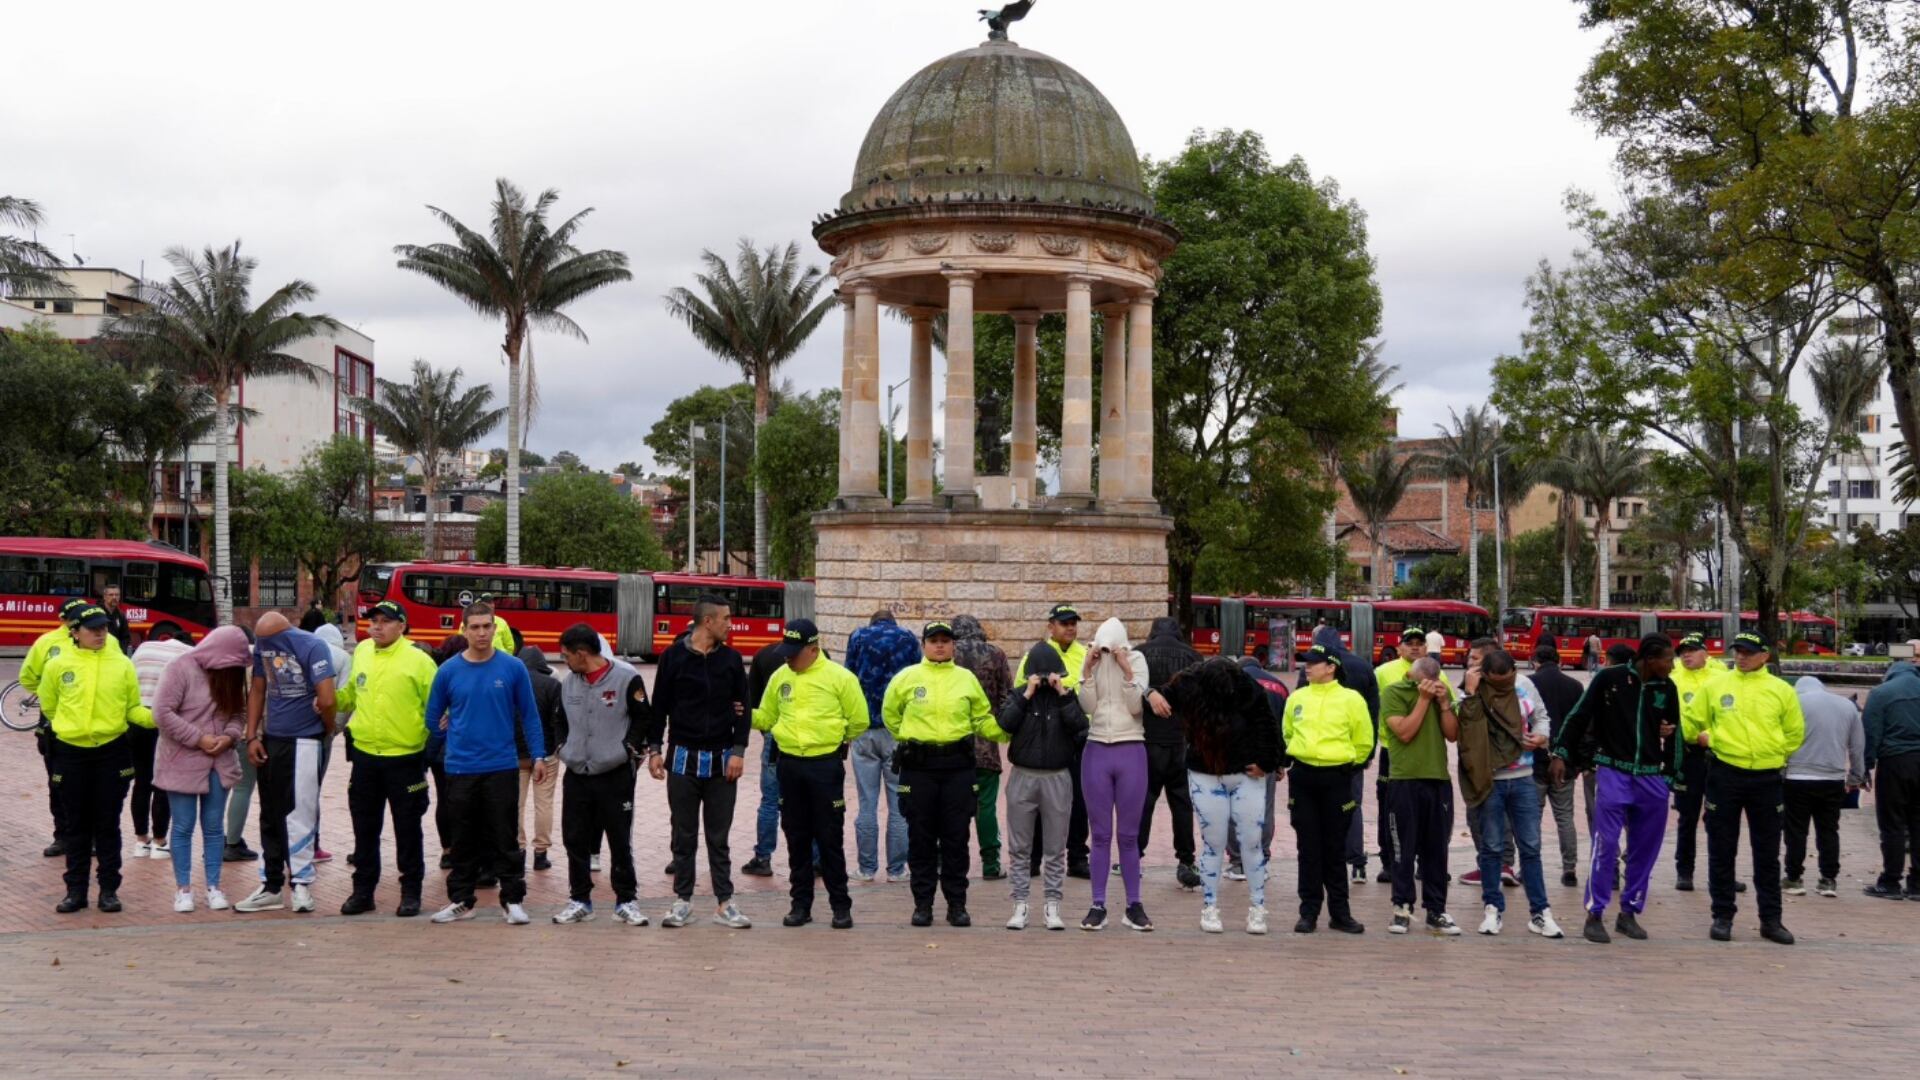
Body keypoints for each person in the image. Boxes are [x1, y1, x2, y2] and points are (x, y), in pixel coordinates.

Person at [424, 602, 547, 925]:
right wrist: (444, 731)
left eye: (486, 626)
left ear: (495, 629)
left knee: (505, 836)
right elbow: (431, 714)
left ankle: (513, 900)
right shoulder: (448, 670)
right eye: (474, 627)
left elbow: (530, 716)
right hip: (461, 768)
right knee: (462, 839)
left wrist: (538, 756)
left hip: (502, 766)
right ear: (464, 631)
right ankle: (462, 900)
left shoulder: (512, 668)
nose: (481, 632)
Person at [1552, 634, 1679, 943]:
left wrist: (1671, 777)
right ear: (1650, 659)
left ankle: (1629, 913)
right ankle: (1594, 915)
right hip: (1613, 771)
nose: (1672, 665)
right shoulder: (1609, 678)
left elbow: (1675, 732)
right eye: (1668, 659)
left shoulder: (1667, 688)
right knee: (1606, 843)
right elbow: (1578, 716)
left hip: (1651, 778)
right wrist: (1561, 753)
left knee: (1644, 850)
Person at [884, 620, 1010, 928]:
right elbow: (890, 713)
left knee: (956, 837)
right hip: (920, 768)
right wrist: (911, 736)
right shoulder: (908, 678)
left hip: (957, 767)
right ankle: (923, 905)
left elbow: (982, 718)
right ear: (924, 645)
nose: (940, 645)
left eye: (945, 640)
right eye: (934, 640)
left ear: (953, 645)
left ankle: (957, 905)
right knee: (921, 837)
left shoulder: (965, 679)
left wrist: (1005, 731)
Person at [646, 594, 753, 929]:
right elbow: (659, 706)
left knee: (718, 837)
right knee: (684, 834)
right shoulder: (672, 658)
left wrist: (738, 750)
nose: (730, 624)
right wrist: (654, 749)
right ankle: (682, 901)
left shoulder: (733, 660)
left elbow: (744, 708)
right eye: (725, 619)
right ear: (708, 622)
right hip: (682, 759)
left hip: (723, 762)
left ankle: (725, 902)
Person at [1157, 657, 1285, 934]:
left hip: (1238, 772)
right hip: (1212, 772)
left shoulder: (1244, 687)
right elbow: (1267, 723)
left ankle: (1256, 907)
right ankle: (1212, 906)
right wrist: (1149, 693)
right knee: (1216, 842)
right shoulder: (1195, 684)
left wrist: (1268, 760)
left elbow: (1266, 723)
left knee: (1247, 842)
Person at [753, 618, 866, 929]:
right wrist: (741, 715)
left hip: (825, 766)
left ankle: (840, 906)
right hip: (789, 765)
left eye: (794, 652)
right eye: (785, 651)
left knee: (830, 838)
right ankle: (800, 905)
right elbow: (766, 716)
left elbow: (859, 719)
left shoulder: (839, 677)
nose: (788, 658)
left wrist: (835, 738)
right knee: (796, 838)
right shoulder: (780, 676)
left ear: (814, 649)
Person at [1696, 631, 1804, 944]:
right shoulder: (1715, 685)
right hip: (1725, 774)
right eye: (1738, 651)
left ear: (1764, 656)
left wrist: (1774, 751)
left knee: (1768, 853)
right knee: (1721, 848)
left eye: (1748, 652)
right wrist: (1712, 740)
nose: (1741, 656)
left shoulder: (1781, 690)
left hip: (1767, 779)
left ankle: (1771, 920)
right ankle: (1722, 916)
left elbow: (1795, 733)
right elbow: (1693, 722)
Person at [42, 605, 149, 913]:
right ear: (75, 632)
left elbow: (133, 709)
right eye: (93, 629)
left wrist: (160, 718)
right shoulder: (58, 664)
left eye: (103, 628)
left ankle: (108, 890)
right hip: (70, 754)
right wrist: (74, 729)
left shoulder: (122, 665)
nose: (101, 633)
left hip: (111, 753)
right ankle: (75, 891)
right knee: (75, 827)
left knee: (108, 825)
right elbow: (50, 707)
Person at [335, 600, 437, 918]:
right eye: (373, 620)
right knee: (364, 828)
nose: (376, 626)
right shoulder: (362, 652)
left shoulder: (419, 661)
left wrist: (429, 748)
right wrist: (327, 697)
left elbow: (436, 710)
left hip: (405, 759)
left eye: (385, 621)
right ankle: (363, 892)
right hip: (365, 757)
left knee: (407, 829)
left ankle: (411, 892)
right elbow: (352, 693)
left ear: (402, 626)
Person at [235, 612, 336, 914]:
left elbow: (328, 698)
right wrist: (252, 735)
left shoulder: (313, 646)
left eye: (273, 641)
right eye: (263, 642)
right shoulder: (264, 645)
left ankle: (301, 883)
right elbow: (258, 689)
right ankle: (272, 884)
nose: (268, 647)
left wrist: (326, 728)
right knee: (270, 812)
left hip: (305, 739)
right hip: (273, 738)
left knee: (300, 811)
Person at [551, 623, 652, 927]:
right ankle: (580, 899)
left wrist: (628, 750)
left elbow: (642, 717)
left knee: (619, 838)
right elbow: (558, 720)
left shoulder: (626, 678)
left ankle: (626, 900)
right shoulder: (569, 682)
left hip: (615, 775)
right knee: (574, 838)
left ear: (582, 654)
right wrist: (561, 748)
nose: (564, 660)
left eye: (567, 655)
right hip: (577, 773)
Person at [1458, 648, 1563, 939]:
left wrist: (1541, 737)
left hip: (1524, 778)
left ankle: (1540, 913)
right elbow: (1464, 729)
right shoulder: (1473, 690)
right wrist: (1469, 693)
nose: (1505, 684)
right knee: (1491, 848)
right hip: (1490, 780)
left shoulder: (1526, 685)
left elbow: (1542, 717)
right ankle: (1492, 909)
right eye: (1498, 680)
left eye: (1509, 678)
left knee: (1530, 847)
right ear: (1487, 675)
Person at [152, 626, 249, 913]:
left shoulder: (231, 675)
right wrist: (199, 738)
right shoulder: (180, 667)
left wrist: (229, 736)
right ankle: (183, 890)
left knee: (214, 827)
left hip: (219, 761)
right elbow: (162, 712)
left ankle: (214, 887)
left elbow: (238, 714)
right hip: (181, 762)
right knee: (182, 826)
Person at [997, 641, 1089, 931]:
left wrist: (1063, 695)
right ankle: (1020, 904)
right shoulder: (1018, 696)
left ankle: (1052, 905)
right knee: (1020, 847)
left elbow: (1081, 730)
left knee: (1055, 848)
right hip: (1023, 776)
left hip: (1058, 777)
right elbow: (1005, 724)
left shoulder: (1067, 697)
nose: (1049, 679)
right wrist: (1026, 694)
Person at [1285, 644, 1374, 934]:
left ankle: (1340, 913)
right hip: (1303, 777)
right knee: (1307, 847)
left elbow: (1364, 741)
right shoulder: (1297, 697)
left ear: (1331, 666)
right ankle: (1308, 911)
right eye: (1305, 662)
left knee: (1335, 847)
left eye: (1313, 662)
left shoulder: (1351, 699)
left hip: (1337, 778)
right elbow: (1288, 733)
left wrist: (1348, 767)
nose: (1306, 667)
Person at [23, 598, 121, 858]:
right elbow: (27, 677)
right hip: (56, 726)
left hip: (99, 731)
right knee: (60, 784)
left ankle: (92, 839)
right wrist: (55, 697)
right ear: (68, 623)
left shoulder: (108, 642)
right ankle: (63, 836)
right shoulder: (47, 643)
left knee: (98, 790)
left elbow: (120, 674)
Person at [1074, 617, 1154, 931]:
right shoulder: (1091, 660)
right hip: (1096, 749)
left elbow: (1136, 706)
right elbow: (1088, 706)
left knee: (1129, 836)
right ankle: (1098, 904)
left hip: (1131, 747)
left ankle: (1134, 904)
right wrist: (1087, 671)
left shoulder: (1137, 659)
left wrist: (1126, 669)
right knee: (1101, 834)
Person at [1379, 655, 1462, 935]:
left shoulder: (1443, 692)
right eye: (1426, 681)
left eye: (1436, 681)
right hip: (1404, 780)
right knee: (1403, 848)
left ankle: (1436, 910)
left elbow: (1452, 735)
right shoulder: (1394, 692)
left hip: (1437, 779)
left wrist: (1444, 703)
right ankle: (1402, 907)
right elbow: (1404, 732)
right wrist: (1424, 701)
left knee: (1437, 849)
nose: (1431, 685)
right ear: (1412, 678)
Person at [1296, 624, 1380, 886]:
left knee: (1315, 815)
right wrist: (1365, 755)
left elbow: (1299, 709)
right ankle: (1357, 863)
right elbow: (1372, 715)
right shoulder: (1364, 667)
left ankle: (1320, 865)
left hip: (1314, 760)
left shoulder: (1312, 671)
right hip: (1350, 757)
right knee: (1351, 807)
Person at [843, 610, 919, 882]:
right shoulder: (909, 639)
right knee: (899, 805)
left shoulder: (859, 637)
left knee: (867, 803)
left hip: (864, 729)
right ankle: (897, 870)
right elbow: (917, 678)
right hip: (898, 732)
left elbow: (848, 680)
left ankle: (866, 869)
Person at [1017, 604, 1090, 877]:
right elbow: (1020, 690)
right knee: (1038, 802)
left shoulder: (1085, 656)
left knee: (1080, 802)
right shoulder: (1034, 655)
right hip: (1044, 736)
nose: (1070, 628)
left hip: (1077, 736)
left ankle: (1077, 857)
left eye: (1073, 623)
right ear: (1051, 626)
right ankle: (1035, 858)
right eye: (1064, 623)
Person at [1373, 627, 1448, 884]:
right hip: (1392, 749)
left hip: (1429, 757)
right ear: (1399, 647)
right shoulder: (1383, 672)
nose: (1415, 647)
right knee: (1390, 810)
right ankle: (1390, 862)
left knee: (1430, 819)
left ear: (1426, 649)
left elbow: (1449, 715)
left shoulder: (1440, 674)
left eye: (1420, 643)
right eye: (1410, 643)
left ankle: (1423, 865)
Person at [1137, 616, 1203, 890]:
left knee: (1144, 802)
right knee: (1182, 804)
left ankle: (1134, 857)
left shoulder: (1139, 654)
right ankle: (1186, 860)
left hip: (1147, 741)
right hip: (1181, 742)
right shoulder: (1194, 657)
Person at [1783, 676, 1865, 898]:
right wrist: (1855, 777)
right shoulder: (1846, 706)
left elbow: (1779, 740)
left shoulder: (1793, 703)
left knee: (1795, 830)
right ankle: (1828, 879)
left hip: (1796, 777)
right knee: (1828, 830)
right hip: (1832, 778)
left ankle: (1793, 878)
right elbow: (1857, 746)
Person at [1669, 634, 1734, 894]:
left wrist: (1715, 737)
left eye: (1692, 650)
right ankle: (1684, 871)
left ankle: (1722, 874)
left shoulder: (1722, 678)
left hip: (1720, 754)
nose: (1686, 655)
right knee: (1688, 816)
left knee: (1722, 818)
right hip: (1688, 754)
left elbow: (1731, 716)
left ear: (1706, 653)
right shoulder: (1673, 679)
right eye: (1683, 651)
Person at [952, 615, 1011, 881]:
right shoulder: (996, 654)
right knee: (985, 807)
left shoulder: (948, 654)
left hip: (954, 746)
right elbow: (1007, 698)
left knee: (952, 807)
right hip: (986, 746)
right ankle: (990, 863)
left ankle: (950, 862)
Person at [1457, 638, 1518, 888]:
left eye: (1475, 659)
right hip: (1478, 762)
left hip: (1490, 765)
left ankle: (1497, 866)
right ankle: (1498, 864)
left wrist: (1470, 694)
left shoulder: (1496, 691)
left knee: (1486, 815)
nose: (1468, 662)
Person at [128, 628, 193, 859]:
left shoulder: (143, 649)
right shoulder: (188, 653)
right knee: (163, 783)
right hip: (164, 721)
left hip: (136, 720)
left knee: (142, 782)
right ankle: (159, 841)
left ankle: (141, 841)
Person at [1223, 655, 1289, 880]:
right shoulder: (1278, 686)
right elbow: (1283, 726)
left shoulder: (1229, 683)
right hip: (1266, 758)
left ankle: (1238, 862)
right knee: (1264, 809)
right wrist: (1280, 762)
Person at [1529, 638, 1585, 888]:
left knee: (1532, 817)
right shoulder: (1574, 686)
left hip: (1535, 760)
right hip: (1566, 762)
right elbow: (1582, 725)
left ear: (1535, 661)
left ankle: (1531, 866)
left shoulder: (1529, 683)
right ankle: (1569, 868)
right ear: (1559, 661)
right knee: (1565, 817)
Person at [1862, 660, 1920, 899]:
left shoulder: (1881, 693)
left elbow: (1870, 731)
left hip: (1895, 762)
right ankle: (1917, 884)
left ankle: (1890, 882)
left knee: (1892, 823)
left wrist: (1866, 766)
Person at [515, 645, 564, 872]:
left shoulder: (512, 683)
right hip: (545, 754)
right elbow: (558, 721)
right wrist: (554, 748)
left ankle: (518, 849)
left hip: (515, 754)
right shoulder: (553, 685)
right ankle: (541, 853)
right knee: (543, 803)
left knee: (516, 804)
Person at [741, 644, 788, 878]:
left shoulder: (764, 654)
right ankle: (815, 859)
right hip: (813, 744)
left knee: (770, 800)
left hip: (775, 736)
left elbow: (753, 699)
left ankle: (763, 857)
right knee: (807, 802)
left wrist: (766, 729)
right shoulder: (821, 658)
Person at [101, 584, 132, 653]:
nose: (114, 597)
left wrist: (120, 651)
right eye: (111, 595)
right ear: (104, 597)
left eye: (117, 595)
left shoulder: (121, 615)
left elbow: (125, 637)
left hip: (116, 653)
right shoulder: (97, 613)